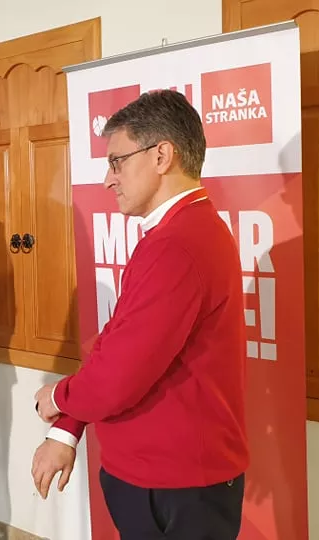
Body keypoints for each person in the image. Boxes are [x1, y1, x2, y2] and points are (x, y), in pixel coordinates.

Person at [31, 90, 249, 539]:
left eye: (117, 162)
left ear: (162, 155)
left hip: (176, 484)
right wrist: (67, 428)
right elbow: (117, 342)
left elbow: (119, 374)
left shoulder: (178, 244)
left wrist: (59, 400)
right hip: (160, 477)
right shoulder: (175, 234)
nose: (108, 180)